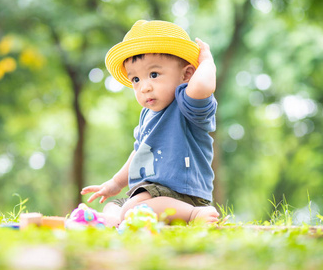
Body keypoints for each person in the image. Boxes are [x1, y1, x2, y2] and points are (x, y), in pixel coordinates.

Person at [81, 20, 220, 227]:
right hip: (149, 192)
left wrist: (207, 61)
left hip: (181, 193)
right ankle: (114, 221)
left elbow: (203, 86)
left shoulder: (187, 104)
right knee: (114, 206)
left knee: (132, 209)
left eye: (154, 75)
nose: (144, 87)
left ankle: (193, 214)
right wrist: (116, 183)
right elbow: (139, 153)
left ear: (187, 74)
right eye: (136, 79)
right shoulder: (147, 114)